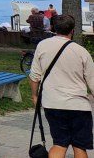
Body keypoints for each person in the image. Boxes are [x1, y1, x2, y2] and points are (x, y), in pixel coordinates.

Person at [29, 14, 94, 158]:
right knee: (79, 147)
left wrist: (35, 96)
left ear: (53, 28)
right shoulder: (81, 52)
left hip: (52, 103)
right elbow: (92, 81)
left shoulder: (42, 46)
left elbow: (34, 76)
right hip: (78, 105)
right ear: (72, 30)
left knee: (59, 143)